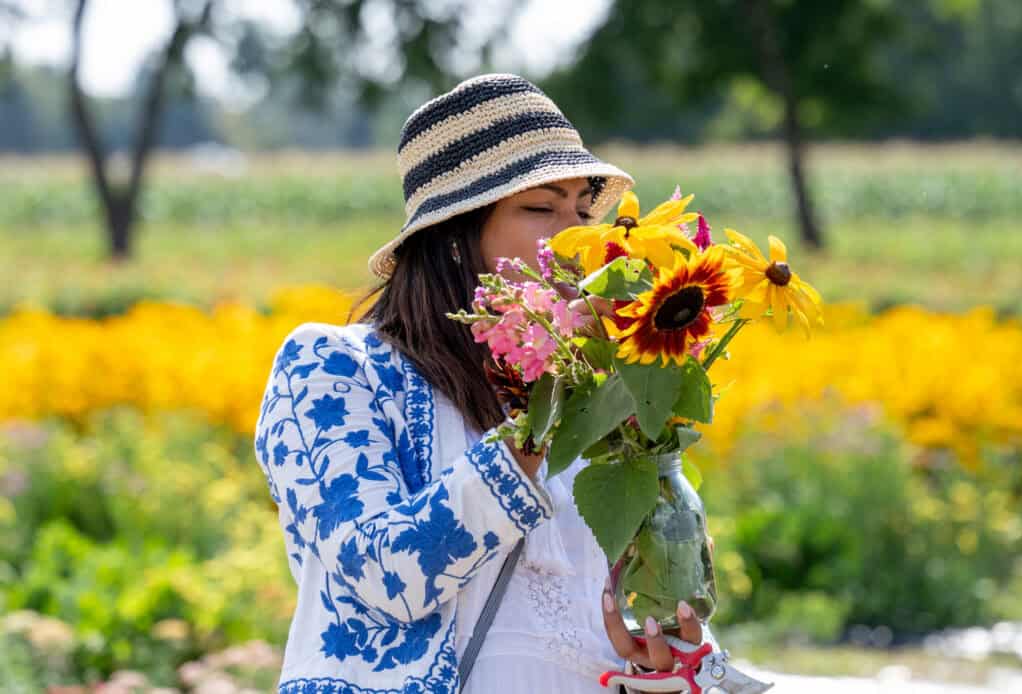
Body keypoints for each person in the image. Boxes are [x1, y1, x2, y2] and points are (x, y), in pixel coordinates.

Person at [253, 73, 721, 694]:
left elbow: (640, 597)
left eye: (581, 210)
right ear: (451, 238)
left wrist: (663, 661)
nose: (576, 237)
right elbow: (386, 573)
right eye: (539, 207)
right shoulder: (334, 368)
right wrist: (538, 416)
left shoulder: (602, 394)